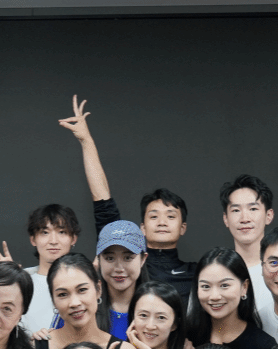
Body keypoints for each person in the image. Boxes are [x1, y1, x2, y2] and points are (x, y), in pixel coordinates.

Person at [58, 95, 194, 298]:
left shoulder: (198, 273)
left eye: (171, 216)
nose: (162, 222)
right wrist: (86, 141)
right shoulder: (127, 266)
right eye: (154, 216)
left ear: (183, 227)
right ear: (142, 227)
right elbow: (102, 201)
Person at [35, 253, 140, 349]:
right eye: (62, 294)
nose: (74, 302)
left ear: (98, 290)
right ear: (53, 300)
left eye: (82, 290)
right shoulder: (37, 347)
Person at [186, 247, 276, 349]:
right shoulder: (187, 338)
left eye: (224, 285)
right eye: (206, 286)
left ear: (244, 287)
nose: (214, 296)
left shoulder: (263, 346)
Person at [0, 203, 80, 335]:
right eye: (45, 232)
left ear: (73, 239)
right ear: (33, 239)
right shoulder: (23, 281)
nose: (53, 241)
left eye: (62, 232)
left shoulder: (85, 281)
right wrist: (11, 277)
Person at [220, 174, 275, 308]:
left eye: (253, 209)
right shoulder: (217, 271)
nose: (245, 218)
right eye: (236, 210)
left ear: (268, 216)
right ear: (226, 219)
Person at [95, 220, 148, 340]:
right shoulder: (84, 309)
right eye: (110, 258)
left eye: (128, 258)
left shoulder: (159, 308)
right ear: (98, 260)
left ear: (143, 259)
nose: (119, 268)